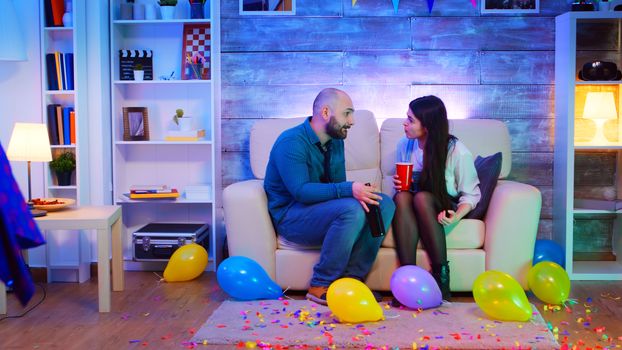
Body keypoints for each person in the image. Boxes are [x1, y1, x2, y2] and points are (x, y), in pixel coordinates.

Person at [264, 88, 395, 305]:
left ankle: (352, 281)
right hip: (291, 218)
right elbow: (302, 192)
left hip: (321, 212)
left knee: (383, 204)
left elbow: (336, 187)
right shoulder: (291, 142)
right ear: (325, 112)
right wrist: (350, 189)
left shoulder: (335, 141)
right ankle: (320, 284)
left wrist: (357, 193)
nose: (352, 121)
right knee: (351, 208)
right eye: (347, 113)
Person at [392, 95, 481, 300]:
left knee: (421, 197)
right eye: (406, 117)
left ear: (428, 126)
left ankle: (442, 280)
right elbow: (403, 186)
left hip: (443, 202)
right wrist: (399, 185)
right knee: (402, 197)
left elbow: (472, 193)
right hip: (412, 202)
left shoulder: (456, 151)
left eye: (411, 120)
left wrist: (456, 216)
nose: (405, 123)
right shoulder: (404, 145)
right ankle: (407, 278)